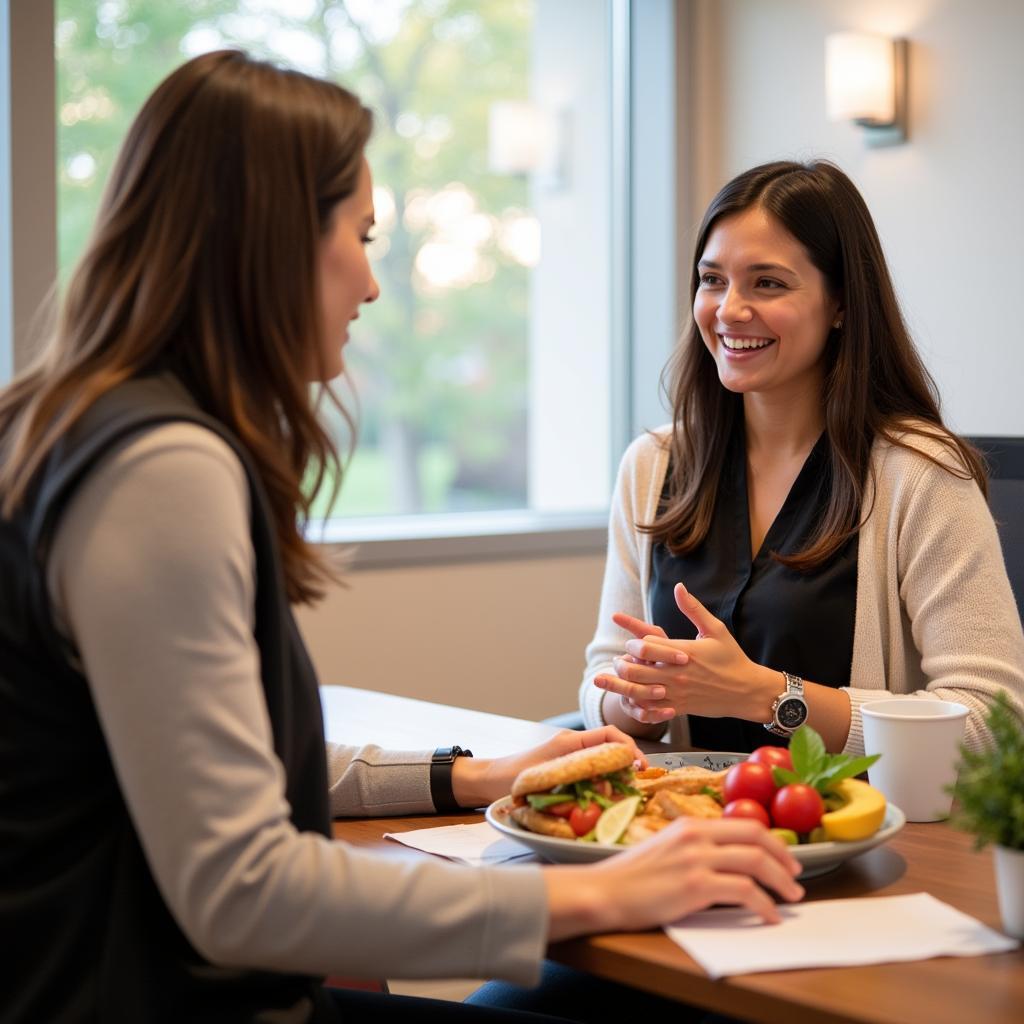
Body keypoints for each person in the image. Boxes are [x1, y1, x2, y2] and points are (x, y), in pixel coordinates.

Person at [0, 52, 805, 1024]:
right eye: (360, 234)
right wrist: (605, 889)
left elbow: (208, 761)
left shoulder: (69, 424)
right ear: (271, 240)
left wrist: (471, 776)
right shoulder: (162, 471)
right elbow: (242, 890)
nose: (373, 284)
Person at [579, 159, 1024, 757]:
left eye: (768, 283)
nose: (730, 310)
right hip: (691, 830)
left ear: (840, 303)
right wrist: (633, 698)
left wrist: (767, 696)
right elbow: (603, 674)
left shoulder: (921, 475)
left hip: (862, 836)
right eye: (712, 280)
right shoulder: (652, 464)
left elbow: (996, 722)